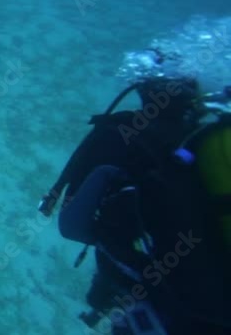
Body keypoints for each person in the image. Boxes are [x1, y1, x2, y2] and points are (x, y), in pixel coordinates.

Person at [37, 32, 231, 334]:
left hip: (164, 312)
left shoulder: (120, 136)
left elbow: (72, 226)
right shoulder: (208, 143)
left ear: (143, 89)